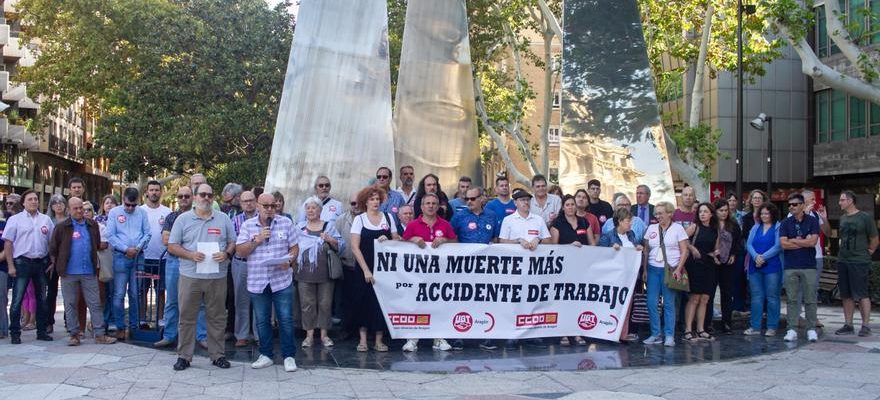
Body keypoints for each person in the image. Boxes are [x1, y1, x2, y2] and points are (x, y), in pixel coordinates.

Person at [167, 184, 236, 371]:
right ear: (195, 197)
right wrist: (190, 255)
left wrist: (226, 254)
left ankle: (217, 355)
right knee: (187, 316)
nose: (206, 198)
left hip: (217, 276)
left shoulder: (223, 219)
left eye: (209, 195)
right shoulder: (183, 219)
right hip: (190, 276)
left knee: (217, 317)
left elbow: (232, 242)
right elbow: (172, 246)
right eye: (202, 194)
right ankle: (184, 356)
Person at [236, 193, 300, 372]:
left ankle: (289, 356)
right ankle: (266, 355)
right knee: (262, 321)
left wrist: (289, 261)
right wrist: (256, 240)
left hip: (282, 279)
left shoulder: (286, 222)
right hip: (258, 281)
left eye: (273, 206)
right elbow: (240, 251)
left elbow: (294, 247)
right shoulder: (248, 225)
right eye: (266, 206)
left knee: (286, 319)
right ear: (258, 206)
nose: (271, 209)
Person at [49, 197, 117, 346]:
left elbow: (97, 244)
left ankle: (100, 334)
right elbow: (53, 248)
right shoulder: (61, 227)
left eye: (82, 208)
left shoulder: (92, 225)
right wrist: (58, 265)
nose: (80, 211)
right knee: (70, 303)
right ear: (69, 210)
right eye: (76, 208)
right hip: (68, 273)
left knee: (95, 303)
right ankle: (74, 335)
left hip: (89, 271)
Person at [153, 186, 208, 349]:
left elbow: (200, 239)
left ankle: (202, 336)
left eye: (187, 196)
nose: (183, 198)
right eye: (180, 196)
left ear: (193, 197)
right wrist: (188, 243)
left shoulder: (200, 216)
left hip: (196, 262)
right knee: (172, 300)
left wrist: (179, 242)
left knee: (200, 300)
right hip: (174, 262)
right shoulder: (171, 217)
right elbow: (167, 241)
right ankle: (170, 335)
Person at [401, 193, 458, 352]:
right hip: (417, 275)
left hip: (440, 274)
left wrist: (445, 240)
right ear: (421, 206)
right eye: (428, 203)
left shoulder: (445, 224)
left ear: (438, 206)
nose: (431, 206)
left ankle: (438, 338)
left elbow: (456, 243)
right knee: (416, 304)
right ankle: (412, 338)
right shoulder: (413, 225)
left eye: (434, 203)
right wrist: (412, 240)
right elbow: (400, 245)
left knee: (439, 304)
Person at [498, 190, 551, 349]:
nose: (525, 203)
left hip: (534, 268)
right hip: (515, 269)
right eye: (522, 200)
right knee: (514, 302)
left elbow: (549, 241)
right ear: (515, 202)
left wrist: (538, 239)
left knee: (532, 301)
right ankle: (512, 335)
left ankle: (531, 335)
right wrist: (517, 241)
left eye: (528, 200)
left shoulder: (538, 220)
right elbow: (501, 242)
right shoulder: (509, 220)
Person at [349, 186, 399, 352]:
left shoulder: (388, 217)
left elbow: (397, 240)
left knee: (380, 303)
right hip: (365, 267)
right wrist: (365, 270)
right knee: (363, 301)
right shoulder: (359, 220)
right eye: (372, 199)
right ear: (366, 202)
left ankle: (379, 340)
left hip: (384, 268)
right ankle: (362, 340)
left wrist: (389, 240)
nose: (375, 202)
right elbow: (355, 247)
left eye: (377, 199)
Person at [450, 186, 499, 350]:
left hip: (486, 268)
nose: (469, 202)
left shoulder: (492, 216)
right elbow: (451, 237)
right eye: (466, 199)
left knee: (485, 300)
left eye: (472, 199)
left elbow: (496, 238)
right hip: (464, 267)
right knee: (462, 300)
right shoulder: (459, 216)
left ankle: (486, 335)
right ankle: (459, 336)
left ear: (482, 199)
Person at [4, 190, 55, 344]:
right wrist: (11, 266)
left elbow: (51, 242)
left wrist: (52, 261)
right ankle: (15, 333)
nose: (33, 201)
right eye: (30, 199)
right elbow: (8, 243)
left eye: (35, 199)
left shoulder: (46, 220)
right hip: (22, 263)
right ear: (24, 202)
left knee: (41, 299)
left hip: (40, 263)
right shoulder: (15, 220)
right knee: (17, 299)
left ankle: (41, 331)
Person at [296, 196, 343, 349]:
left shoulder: (329, 226)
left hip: (325, 273)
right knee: (307, 304)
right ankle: (309, 336)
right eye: (308, 208)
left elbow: (340, 246)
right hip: (304, 273)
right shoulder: (299, 227)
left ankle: (324, 335)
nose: (311, 210)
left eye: (314, 207)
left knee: (325, 304)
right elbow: (292, 246)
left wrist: (330, 239)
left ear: (320, 210)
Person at [106, 187, 151, 340]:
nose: (130, 208)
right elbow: (110, 235)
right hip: (120, 256)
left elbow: (147, 233)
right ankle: (120, 326)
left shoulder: (142, 213)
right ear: (122, 200)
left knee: (136, 293)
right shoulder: (114, 212)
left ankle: (134, 326)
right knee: (118, 294)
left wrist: (137, 248)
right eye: (127, 205)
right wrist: (125, 249)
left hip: (138, 257)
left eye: (133, 205)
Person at [642, 201, 689, 347]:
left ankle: (669, 335)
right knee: (651, 302)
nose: (658, 216)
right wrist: (644, 269)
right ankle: (655, 334)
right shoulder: (651, 228)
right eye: (656, 213)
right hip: (653, 269)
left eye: (661, 213)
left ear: (670, 213)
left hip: (669, 270)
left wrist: (678, 269)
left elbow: (684, 251)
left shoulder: (678, 229)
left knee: (669, 303)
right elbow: (646, 250)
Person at [551, 195, 593, 346]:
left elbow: (592, 244)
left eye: (572, 204)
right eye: (567, 205)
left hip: (581, 268)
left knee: (578, 301)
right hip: (563, 270)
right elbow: (553, 248)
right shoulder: (557, 224)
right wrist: (569, 246)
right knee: (563, 302)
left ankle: (576, 333)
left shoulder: (584, 222)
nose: (570, 207)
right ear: (563, 207)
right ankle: (563, 333)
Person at [834, 191, 878, 337]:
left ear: (851, 200)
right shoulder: (843, 218)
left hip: (859, 261)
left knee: (862, 293)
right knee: (846, 294)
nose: (839, 202)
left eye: (842, 200)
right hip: (843, 260)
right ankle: (848, 324)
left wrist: (869, 251)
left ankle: (865, 326)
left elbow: (874, 238)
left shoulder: (864, 217)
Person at [598, 207, 644, 342]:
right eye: (628, 221)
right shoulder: (608, 236)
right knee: (612, 305)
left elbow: (636, 249)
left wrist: (638, 248)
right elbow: (600, 255)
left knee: (627, 306)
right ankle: (609, 332)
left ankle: (623, 334)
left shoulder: (632, 235)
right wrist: (610, 250)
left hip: (629, 277)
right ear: (619, 221)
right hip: (613, 278)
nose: (630, 224)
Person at [779, 193, 820, 343]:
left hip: (809, 265)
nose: (791, 207)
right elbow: (783, 244)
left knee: (810, 299)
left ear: (802, 205)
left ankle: (811, 329)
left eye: (795, 204)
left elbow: (813, 242)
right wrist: (803, 240)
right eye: (789, 204)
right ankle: (791, 329)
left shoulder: (812, 221)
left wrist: (794, 241)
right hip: (790, 266)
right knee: (791, 299)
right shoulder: (785, 223)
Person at [682, 202, 720, 342]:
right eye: (700, 212)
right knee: (694, 298)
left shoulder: (715, 229)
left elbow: (716, 248)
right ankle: (687, 329)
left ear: (711, 214)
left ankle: (701, 329)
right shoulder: (694, 227)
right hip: (695, 264)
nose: (702, 214)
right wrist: (692, 248)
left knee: (705, 298)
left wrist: (716, 253)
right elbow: (682, 240)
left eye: (705, 211)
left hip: (709, 265)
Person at [744, 203, 782, 337]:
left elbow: (778, 246)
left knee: (772, 297)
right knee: (756, 297)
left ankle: (772, 326)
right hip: (755, 266)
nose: (764, 216)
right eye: (762, 213)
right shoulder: (755, 227)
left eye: (767, 213)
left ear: (772, 214)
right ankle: (755, 326)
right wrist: (756, 257)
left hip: (772, 266)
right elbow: (748, 244)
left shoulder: (778, 227)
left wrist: (763, 257)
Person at [226, 190, 258, 347]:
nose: (248, 204)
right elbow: (233, 242)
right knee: (241, 299)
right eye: (245, 201)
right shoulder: (235, 220)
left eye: (251, 200)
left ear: (256, 201)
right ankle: (242, 335)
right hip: (241, 262)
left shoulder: (264, 219)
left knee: (260, 300)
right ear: (241, 203)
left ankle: (260, 335)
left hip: (259, 264)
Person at [140, 180, 171, 329]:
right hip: (143, 258)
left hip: (162, 258)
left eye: (157, 190)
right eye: (151, 190)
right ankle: (142, 319)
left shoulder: (167, 212)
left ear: (161, 192)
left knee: (160, 291)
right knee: (142, 291)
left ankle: (160, 319)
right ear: (146, 191)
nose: (154, 193)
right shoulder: (140, 211)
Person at [801, 189, 830, 328]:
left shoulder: (815, 214)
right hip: (800, 256)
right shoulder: (794, 214)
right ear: (804, 200)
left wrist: (824, 218)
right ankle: (798, 317)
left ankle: (812, 317)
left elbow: (827, 232)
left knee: (813, 288)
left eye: (814, 199)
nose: (814, 201)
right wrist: (805, 215)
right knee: (799, 288)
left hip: (816, 256)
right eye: (811, 199)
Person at [712, 199, 742, 334]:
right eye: (721, 210)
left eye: (726, 210)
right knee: (710, 293)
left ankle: (727, 323)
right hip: (712, 262)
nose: (724, 213)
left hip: (728, 263)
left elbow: (738, 242)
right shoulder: (711, 224)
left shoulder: (733, 225)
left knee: (726, 294)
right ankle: (708, 323)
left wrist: (733, 254)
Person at [95, 194, 118, 331]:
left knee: (116, 291)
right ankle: (104, 319)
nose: (109, 205)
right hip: (103, 260)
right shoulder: (97, 220)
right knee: (104, 291)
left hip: (117, 257)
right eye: (107, 202)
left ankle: (114, 318)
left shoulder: (120, 219)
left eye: (112, 203)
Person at [47, 194, 68, 334]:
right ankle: (49, 322)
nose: (58, 205)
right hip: (51, 260)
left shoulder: (70, 220)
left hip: (67, 260)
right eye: (55, 203)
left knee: (68, 292)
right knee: (51, 292)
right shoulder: (48, 221)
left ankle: (69, 321)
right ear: (51, 206)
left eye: (61, 202)